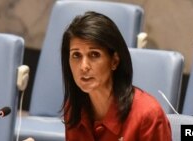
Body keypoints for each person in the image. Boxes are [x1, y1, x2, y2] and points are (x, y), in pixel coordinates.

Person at [60, 11, 172, 141]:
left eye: (94, 54)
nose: (84, 66)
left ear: (114, 61)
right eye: (76, 55)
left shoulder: (147, 115)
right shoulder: (74, 108)